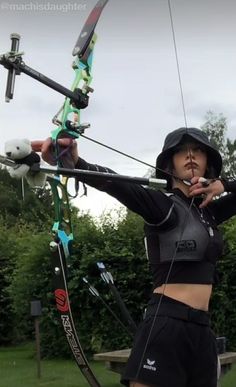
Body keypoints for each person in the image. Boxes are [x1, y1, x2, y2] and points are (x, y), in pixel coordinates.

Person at [32, 127, 236, 387]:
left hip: (203, 332)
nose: (190, 156)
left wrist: (224, 185)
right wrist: (77, 164)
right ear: (170, 164)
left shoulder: (210, 213)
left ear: (208, 162)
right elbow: (116, 184)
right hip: (166, 325)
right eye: (182, 151)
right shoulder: (162, 206)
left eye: (197, 150)